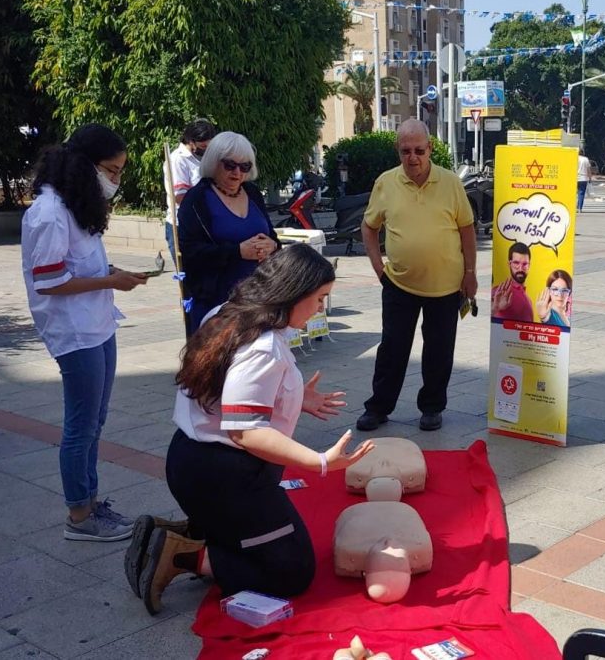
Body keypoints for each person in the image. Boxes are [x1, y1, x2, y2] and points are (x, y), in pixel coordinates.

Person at [130, 244, 375, 615]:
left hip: (193, 461)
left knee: (266, 541)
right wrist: (321, 462)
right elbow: (245, 432)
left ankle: (189, 531)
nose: (322, 308)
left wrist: (294, 400)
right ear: (293, 292)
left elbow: (226, 391)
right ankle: (184, 554)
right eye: (320, 298)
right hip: (226, 477)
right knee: (292, 572)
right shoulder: (264, 347)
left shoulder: (226, 314)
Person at [21, 124, 149, 542]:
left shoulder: (74, 205)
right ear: (86, 165)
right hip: (73, 332)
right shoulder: (48, 212)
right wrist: (110, 283)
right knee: (81, 426)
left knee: (95, 420)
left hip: (97, 324)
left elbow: (79, 266)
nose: (116, 180)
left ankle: (91, 502)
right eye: (111, 171)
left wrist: (113, 274)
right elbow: (50, 280)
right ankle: (79, 515)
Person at [356, 119, 477, 433]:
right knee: (392, 350)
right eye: (405, 151)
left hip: (447, 287)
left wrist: (470, 274)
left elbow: (467, 230)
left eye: (419, 150)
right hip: (398, 284)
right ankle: (378, 407)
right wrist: (377, 268)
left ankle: (432, 408)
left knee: (439, 351)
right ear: (398, 151)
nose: (413, 158)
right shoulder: (386, 182)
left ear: (430, 149)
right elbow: (369, 227)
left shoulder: (450, 183)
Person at [177, 131, 279, 336]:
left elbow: (272, 236)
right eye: (230, 165)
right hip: (215, 302)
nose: (237, 173)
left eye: (245, 167)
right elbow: (190, 252)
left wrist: (273, 246)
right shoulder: (197, 199)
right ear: (214, 162)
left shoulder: (252, 193)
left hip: (257, 299)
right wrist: (236, 252)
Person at [163, 119, 217, 268]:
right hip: (183, 226)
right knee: (189, 275)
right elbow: (180, 197)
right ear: (191, 141)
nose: (206, 149)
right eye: (203, 146)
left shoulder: (203, 158)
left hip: (204, 224)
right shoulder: (178, 160)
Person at [490, 242, 534, 323]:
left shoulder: (528, 300)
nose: (520, 268)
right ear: (509, 264)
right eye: (516, 263)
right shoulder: (499, 292)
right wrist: (495, 308)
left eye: (525, 264)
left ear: (529, 266)